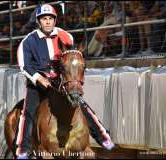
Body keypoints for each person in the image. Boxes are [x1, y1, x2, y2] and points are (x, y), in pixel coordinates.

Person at [15, 4, 115, 159]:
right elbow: (24, 65)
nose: (47, 22)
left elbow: (70, 58)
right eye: (44, 19)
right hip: (37, 83)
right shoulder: (28, 41)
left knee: (82, 106)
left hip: (59, 82)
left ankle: (103, 137)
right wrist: (38, 78)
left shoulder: (66, 36)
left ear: (54, 20)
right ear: (38, 21)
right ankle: (23, 148)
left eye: (50, 19)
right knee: (28, 112)